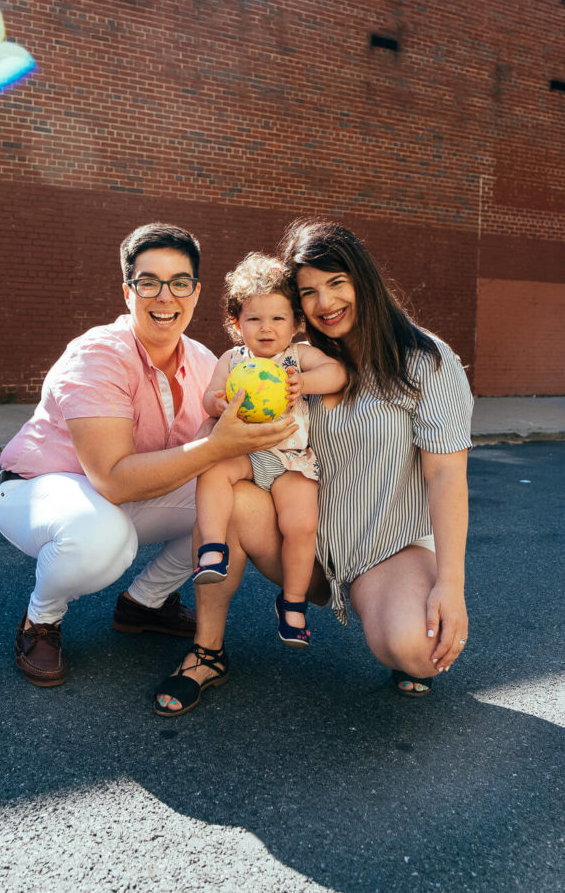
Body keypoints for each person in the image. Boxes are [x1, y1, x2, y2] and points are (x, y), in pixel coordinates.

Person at [154, 219, 473, 715]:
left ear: (363, 280)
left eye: (337, 283)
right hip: (298, 534)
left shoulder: (425, 361)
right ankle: (207, 651)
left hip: (382, 546)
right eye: (308, 292)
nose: (325, 303)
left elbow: (446, 474)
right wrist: (217, 430)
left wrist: (449, 584)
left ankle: (398, 627)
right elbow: (224, 425)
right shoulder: (282, 359)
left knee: (419, 648)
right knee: (226, 493)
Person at [0, 222, 297, 687]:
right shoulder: (97, 355)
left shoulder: (201, 359)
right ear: (127, 291)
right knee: (101, 538)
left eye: (179, 283)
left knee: (225, 500)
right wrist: (219, 446)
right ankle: (40, 620)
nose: (165, 297)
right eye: (148, 282)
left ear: (195, 293)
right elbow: (113, 479)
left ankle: (144, 605)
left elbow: (213, 453)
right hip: (41, 489)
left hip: (121, 491)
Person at [192, 253, 347, 650]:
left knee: (301, 525)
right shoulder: (233, 359)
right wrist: (219, 404)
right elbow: (209, 397)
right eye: (254, 319)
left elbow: (339, 373)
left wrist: (304, 384)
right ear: (236, 323)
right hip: (245, 450)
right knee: (212, 470)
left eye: (278, 319)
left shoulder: (297, 357)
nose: (266, 329)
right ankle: (212, 548)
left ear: (296, 324)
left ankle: (292, 603)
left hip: (290, 461)